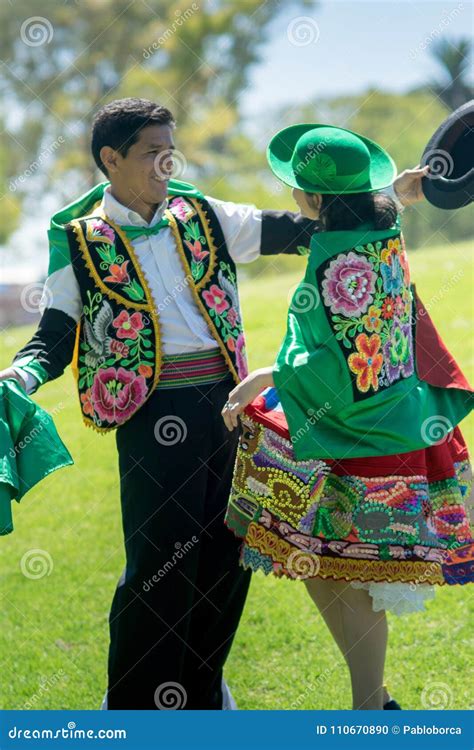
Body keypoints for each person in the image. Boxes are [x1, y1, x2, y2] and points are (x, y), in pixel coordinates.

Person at [0, 100, 423, 710]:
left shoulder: (202, 212)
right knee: (158, 570)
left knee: (228, 562)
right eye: (152, 152)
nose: (166, 163)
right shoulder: (79, 236)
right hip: (150, 418)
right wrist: (24, 372)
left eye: (171, 149)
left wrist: (387, 196)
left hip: (230, 410)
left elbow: (308, 229)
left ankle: (201, 702)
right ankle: (134, 712)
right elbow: (57, 330)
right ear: (110, 159)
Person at [222, 123, 473, 710]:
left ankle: (371, 706)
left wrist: (270, 376)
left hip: (354, 432)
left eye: (297, 188)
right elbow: (384, 213)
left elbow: (335, 371)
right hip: (388, 419)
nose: (292, 198)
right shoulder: (378, 233)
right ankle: (373, 701)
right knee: (315, 559)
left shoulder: (338, 264)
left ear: (313, 201)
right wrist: (404, 192)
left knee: (334, 565)